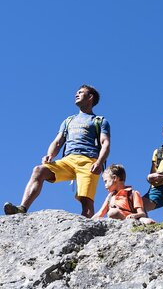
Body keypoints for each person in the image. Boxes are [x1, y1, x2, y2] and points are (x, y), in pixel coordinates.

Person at [4, 85, 110, 217]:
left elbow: (105, 143)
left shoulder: (99, 121)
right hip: (68, 160)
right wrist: (50, 154)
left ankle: (87, 230)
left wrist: (99, 162)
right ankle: (22, 208)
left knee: (86, 201)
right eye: (76, 92)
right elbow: (58, 141)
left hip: (89, 161)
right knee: (39, 170)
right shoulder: (68, 120)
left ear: (90, 97)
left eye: (81, 92)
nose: (76, 94)